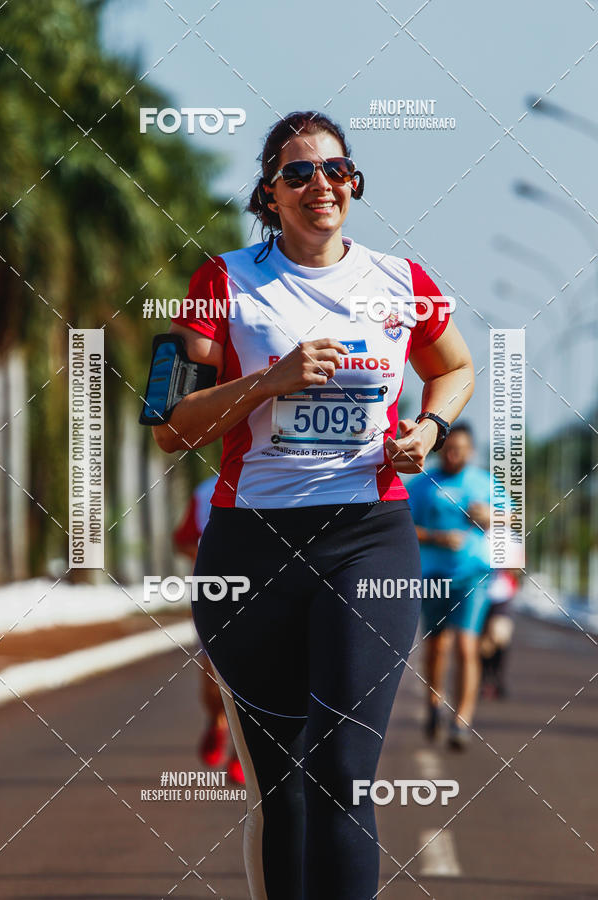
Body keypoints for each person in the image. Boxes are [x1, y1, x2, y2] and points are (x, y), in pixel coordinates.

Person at [151, 110, 474, 900]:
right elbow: (168, 426)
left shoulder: (402, 282)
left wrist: (429, 429)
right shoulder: (221, 281)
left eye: (335, 169)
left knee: (343, 774)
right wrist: (271, 379)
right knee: (283, 788)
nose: (319, 184)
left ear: (353, 183)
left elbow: (455, 368)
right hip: (251, 549)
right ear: (270, 193)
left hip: (367, 538)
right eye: (297, 173)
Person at [407, 423, 492, 750]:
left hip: (473, 575)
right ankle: (434, 703)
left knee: (467, 646)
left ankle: (461, 722)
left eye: (460, 449)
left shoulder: (485, 483)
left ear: (471, 451)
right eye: (449, 449)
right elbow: (405, 527)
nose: (454, 455)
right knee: (437, 646)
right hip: (433, 577)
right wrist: (438, 538)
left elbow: (513, 519)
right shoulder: (422, 484)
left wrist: (492, 516)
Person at [172, 475, 244, 784]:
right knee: (213, 678)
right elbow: (183, 540)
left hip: (265, 589)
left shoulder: (282, 479)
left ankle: (242, 755)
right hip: (216, 591)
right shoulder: (205, 491)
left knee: (258, 676)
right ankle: (216, 721)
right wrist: (209, 556)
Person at [479, 568, 520, 699]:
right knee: (483, 644)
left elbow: (517, 568)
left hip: (502, 597)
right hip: (479, 595)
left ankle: (498, 678)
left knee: (500, 636)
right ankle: (484, 679)